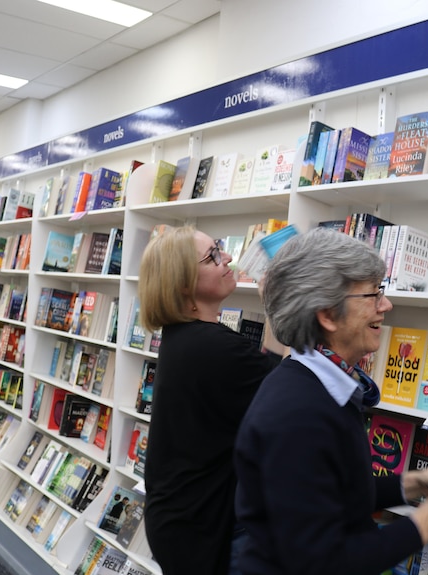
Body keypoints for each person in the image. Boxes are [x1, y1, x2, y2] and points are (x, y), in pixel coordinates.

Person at [234, 228, 428, 575]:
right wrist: (425, 523)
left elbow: (333, 494)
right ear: (328, 314)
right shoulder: (297, 414)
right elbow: (320, 563)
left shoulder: (322, 386)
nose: (386, 305)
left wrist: (413, 484)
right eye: (373, 294)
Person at [139, 225, 284, 575]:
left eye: (221, 249)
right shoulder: (213, 346)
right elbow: (289, 386)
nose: (229, 258)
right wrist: (283, 303)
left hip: (176, 520)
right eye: (213, 256)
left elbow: (268, 373)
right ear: (184, 283)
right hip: (204, 529)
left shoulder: (185, 336)